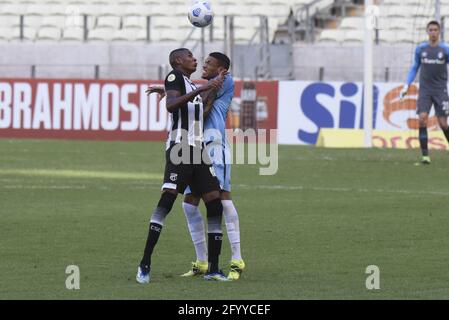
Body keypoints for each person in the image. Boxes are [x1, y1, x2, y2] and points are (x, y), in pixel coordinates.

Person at [147, 52, 245, 281]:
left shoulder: (226, 80)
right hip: (195, 150)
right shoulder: (207, 84)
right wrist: (173, 92)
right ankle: (202, 262)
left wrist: (196, 92)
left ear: (221, 68)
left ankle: (237, 260)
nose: (204, 64)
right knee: (189, 206)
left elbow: (205, 110)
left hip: (215, 147)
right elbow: (194, 96)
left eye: (209, 63)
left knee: (222, 199)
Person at [400, 20, 449, 164]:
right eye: (431, 30)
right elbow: (415, 67)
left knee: (443, 124)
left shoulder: (445, 49)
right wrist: (406, 85)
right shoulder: (421, 49)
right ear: (427, 31)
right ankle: (425, 156)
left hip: (441, 90)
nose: (433, 33)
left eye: (435, 30)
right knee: (422, 119)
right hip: (425, 91)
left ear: (439, 32)